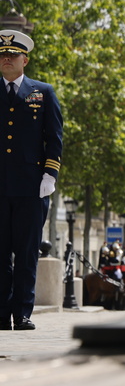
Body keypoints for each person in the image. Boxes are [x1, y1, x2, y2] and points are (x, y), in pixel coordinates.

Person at [0, 30, 62, 331]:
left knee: (26, 255)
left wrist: (50, 174)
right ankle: (1, 313)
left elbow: (54, 138)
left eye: (12, 55)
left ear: (24, 59)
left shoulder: (43, 92)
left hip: (31, 187)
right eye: (2, 55)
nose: (6, 59)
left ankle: (22, 313)